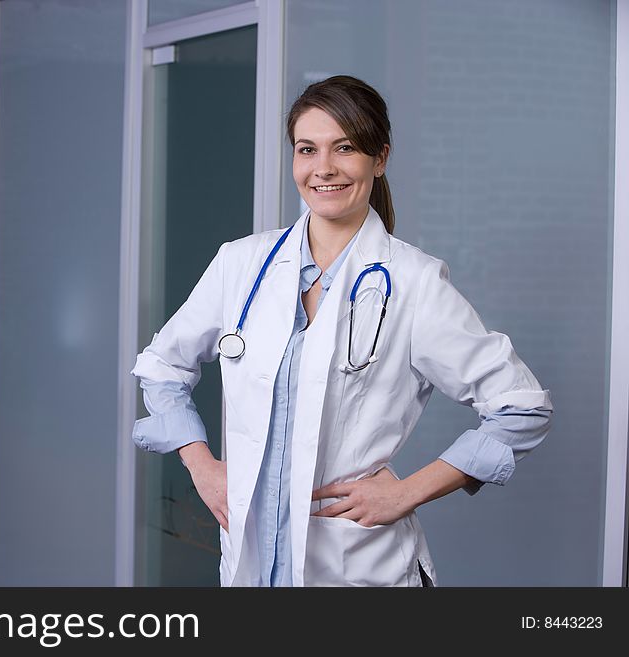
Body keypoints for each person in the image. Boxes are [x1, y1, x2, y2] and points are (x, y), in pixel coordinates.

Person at [130, 75, 552, 587]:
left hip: (358, 570)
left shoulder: (413, 282)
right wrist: (202, 468)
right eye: (307, 149)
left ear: (380, 158)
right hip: (253, 566)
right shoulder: (240, 264)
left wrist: (406, 493)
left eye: (345, 148)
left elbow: (521, 407)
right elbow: (161, 367)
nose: (323, 168)